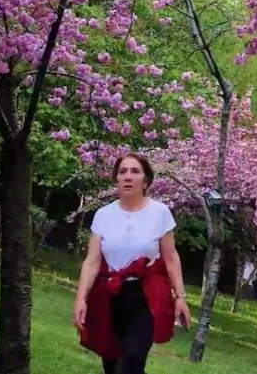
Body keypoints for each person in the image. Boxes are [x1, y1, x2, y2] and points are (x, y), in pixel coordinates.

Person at [73, 153, 192, 374]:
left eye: (135, 171)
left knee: (131, 362)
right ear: (116, 179)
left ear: (146, 181)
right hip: (110, 294)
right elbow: (91, 262)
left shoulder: (160, 213)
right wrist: (81, 299)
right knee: (112, 365)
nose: (128, 176)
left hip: (145, 296)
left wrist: (181, 297)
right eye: (122, 172)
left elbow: (171, 257)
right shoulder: (103, 215)